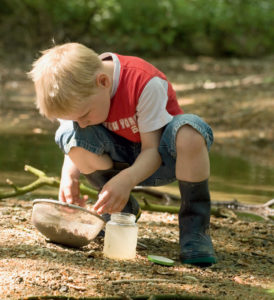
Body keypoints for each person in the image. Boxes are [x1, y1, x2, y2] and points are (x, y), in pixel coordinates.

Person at [28, 42, 217, 266]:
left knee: (190, 131)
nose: (82, 122)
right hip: (117, 161)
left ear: (103, 82)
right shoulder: (78, 91)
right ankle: (120, 209)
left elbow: (152, 152)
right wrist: (69, 176)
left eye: (85, 115)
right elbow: (75, 136)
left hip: (162, 158)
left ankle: (195, 229)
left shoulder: (143, 82)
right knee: (68, 132)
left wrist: (126, 181)